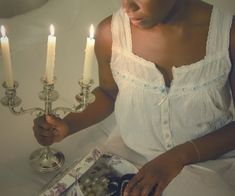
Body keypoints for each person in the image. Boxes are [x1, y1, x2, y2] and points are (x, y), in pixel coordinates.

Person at [33, 0, 235, 195]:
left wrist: (177, 157)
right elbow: (109, 92)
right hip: (131, 152)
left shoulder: (227, 34)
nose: (127, 7)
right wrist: (69, 124)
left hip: (206, 159)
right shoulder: (110, 33)